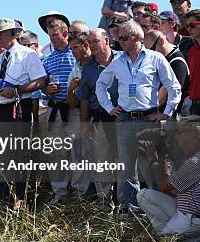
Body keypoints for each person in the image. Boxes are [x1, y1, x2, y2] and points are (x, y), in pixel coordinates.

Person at [96, 21, 181, 214]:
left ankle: (160, 209)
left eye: (124, 38)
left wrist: (167, 112)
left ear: (136, 37)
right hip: (124, 119)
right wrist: (109, 107)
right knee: (127, 170)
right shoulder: (117, 62)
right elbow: (100, 85)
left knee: (153, 166)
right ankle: (133, 211)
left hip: (148, 118)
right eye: (118, 38)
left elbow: (173, 85)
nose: (120, 41)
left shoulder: (156, 58)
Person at [77, 28, 120, 211]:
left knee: (125, 160)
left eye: (96, 41)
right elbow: (84, 98)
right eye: (90, 42)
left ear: (107, 41)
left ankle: (125, 205)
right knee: (102, 162)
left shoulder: (123, 59)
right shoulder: (87, 69)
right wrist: (84, 124)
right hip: (100, 118)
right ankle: (105, 205)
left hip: (123, 117)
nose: (92, 45)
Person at [137, 122, 200, 237]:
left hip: (192, 217)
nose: (176, 137)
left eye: (180, 133)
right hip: (182, 210)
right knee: (144, 195)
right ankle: (170, 230)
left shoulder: (196, 161)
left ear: (193, 135)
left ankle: (176, 235)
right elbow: (171, 190)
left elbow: (164, 187)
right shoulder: (191, 158)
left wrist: (154, 160)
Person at [0, 19, 46, 123]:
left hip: (19, 107)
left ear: (14, 34)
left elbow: (41, 81)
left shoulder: (28, 54)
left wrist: (16, 91)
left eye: (2, 34)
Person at [144, 30, 189, 116]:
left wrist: (146, 111)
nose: (149, 54)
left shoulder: (177, 62)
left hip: (168, 117)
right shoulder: (162, 59)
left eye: (152, 49)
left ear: (161, 41)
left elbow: (166, 93)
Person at [41, 18, 75, 123]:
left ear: (65, 34)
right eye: (50, 36)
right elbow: (43, 86)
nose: (51, 39)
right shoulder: (47, 60)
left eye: (55, 35)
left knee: (77, 140)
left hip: (75, 109)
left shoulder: (75, 54)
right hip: (55, 109)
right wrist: (47, 89)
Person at [187, 10, 200, 115]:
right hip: (195, 104)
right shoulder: (192, 51)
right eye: (187, 26)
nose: (189, 29)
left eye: (192, 25)